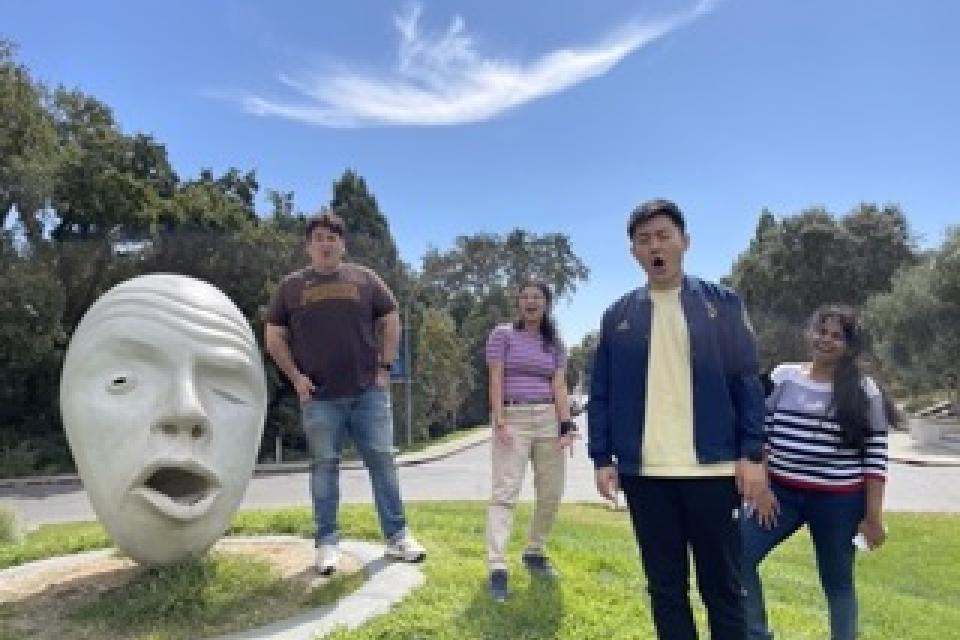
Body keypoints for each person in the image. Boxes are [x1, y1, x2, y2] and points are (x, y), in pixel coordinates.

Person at [588, 198, 767, 640]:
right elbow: (602, 392)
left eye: (663, 236)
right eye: (644, 240)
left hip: (713, 468)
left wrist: (753, 454)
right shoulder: (618, 317)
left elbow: (747, 382)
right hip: (644, 473)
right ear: (634, 252)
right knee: (665, 588)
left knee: (723, 586)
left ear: (685, 242)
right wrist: (602, 458)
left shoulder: (722, 305)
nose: (655, 246)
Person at [264, 211, 425, 574]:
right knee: (324, 469)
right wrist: (295, 377)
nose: (325, 244)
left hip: (368, 393)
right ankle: (327, 544)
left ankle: (398, 536)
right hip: (319, 398)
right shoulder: (291, 287)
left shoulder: (365, 279)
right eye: (318, 238)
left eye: (332, 238)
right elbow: (273, 336)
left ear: (342, 244)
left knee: (383, 463)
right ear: (309, 245)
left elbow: (392, 317)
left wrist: (385, 367)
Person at [742, 305, 890, 640]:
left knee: (837, 582)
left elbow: (876, 459)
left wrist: (873, 517)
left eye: (837, 336)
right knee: (738, 556)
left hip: (838, 502)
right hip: (780, 494)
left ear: (849, 345)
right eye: (821, 332)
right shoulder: (783, 377)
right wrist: (762, 486)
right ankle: (755, 634)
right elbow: (759, 433)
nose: (826, 340)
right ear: (810, 334)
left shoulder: (864, 391)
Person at [485, 280, 578, 602]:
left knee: (551, 492)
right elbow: (496, 377)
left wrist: (566, 425)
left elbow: (560, 386)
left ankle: (534, 551)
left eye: (537, 296)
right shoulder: (503, 335)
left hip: (549, 420)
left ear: (546, 303)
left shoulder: (555, 344)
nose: (530, 301)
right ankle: (497, 566)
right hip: (513, 418)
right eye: (524, 296)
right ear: (518, 303)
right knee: (505, 492)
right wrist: (499, 420)